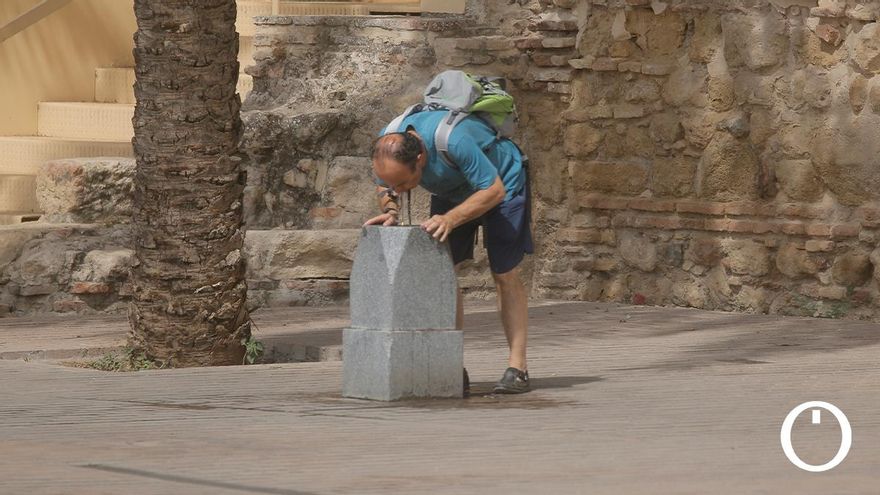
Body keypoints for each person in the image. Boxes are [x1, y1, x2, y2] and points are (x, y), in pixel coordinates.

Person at [364, 109, 533, 394]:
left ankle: (518, 368)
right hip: (452, 192)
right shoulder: (388, 141)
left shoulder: (454, 142)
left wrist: (450, 219)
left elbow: (493, 190)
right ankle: (451, 364)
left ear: (420, 159)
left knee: (504, 273)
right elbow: (385, 184)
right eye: (395, 186)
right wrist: (390, 209)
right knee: (444, 273)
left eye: (404, 183)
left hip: (503, 184)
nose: (400, 190)